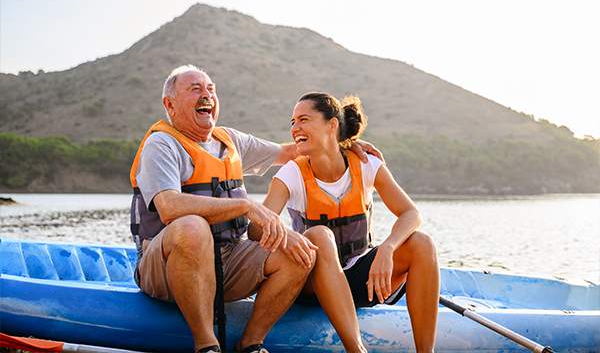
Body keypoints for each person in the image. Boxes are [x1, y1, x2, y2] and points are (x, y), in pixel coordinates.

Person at [129, 65, 381, 353]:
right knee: (192, 227)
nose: (206, 94)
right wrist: (246, 206)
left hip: (227, 260)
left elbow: (292, 152)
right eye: (195, 89)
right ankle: (206, 345)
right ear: (169, 104)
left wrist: (339, 143)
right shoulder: (161, 144)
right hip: (164, 266)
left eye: (210, 88)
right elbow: (169, 208)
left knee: (298, 252)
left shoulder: (231, 141)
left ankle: (250, 343)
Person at [260, 92, 440, 353]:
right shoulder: (291, 173)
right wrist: (291, 239)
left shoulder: (366, 163)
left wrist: (387, 248)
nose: (294, 128)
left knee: (422, 243)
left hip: (361, 281)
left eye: (303, 119)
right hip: (310, 286)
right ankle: (356, 349)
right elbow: (256, 229)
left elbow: (411, 214)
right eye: (292, 122)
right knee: (319, 235)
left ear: (332, 125)